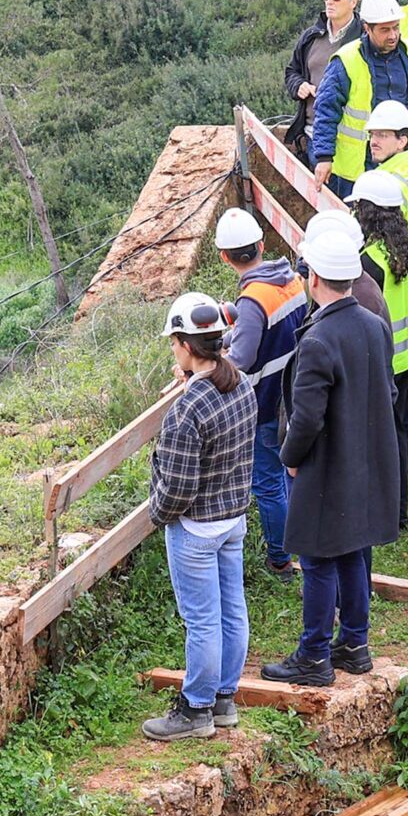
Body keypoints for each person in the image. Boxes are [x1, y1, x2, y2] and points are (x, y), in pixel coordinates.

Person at [268, 214, 404, 688]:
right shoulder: (372, 323)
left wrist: (289, 457)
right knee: (353, 547)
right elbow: (386, 391)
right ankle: (355, 644)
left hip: (327, 465)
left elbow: (306, 419)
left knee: (319, 557)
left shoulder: (319, 338)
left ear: (315, 278)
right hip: (367, 459)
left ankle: (313, 656)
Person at [142, 293, 258, 739]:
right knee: (232, 610)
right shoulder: (241, 384)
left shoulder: (187, 410)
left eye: (175, 342)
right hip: (232, 518)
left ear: (188, 346)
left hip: (195, 528)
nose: (173, 349)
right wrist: (190, 381)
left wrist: (158, 515)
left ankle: (195, 710)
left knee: (202, 621)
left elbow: (176, 489)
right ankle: (224, 700)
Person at [215, 207, 305, 576]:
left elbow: (242, 357)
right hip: (293, 394)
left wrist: (204, 364)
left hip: (265, 403)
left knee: (267, 483)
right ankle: (299, 539)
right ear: (261, 245)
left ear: (224, 256)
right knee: (288, 474)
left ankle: (280, 559)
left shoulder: (253, 299)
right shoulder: (291, 280)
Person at [351, 169, 408, 500]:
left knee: (388, 431)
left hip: (389, 356)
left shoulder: (370, 259)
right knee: (407, 422)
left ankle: (391, 497)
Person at [309, 0, 408, 194]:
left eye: (396, 27)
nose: (393, 35)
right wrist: (323, 157)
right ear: (367, 28)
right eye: (385, 30)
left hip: (397, 159)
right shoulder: (346, 61)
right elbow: (325, 109)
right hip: (355, 167)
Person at [285, 0, 364, 158]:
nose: (329, 2)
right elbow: (291, 72)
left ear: (353, 1)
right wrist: (299, 85)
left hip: (353, 139)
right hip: (314, 134)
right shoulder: (311, 37)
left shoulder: (364, 39)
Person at [364, 98, 408, 178]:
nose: (373, 141)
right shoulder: (389, 172)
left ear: (402, 142)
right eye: (372, 134)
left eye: (382, 135)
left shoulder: (397, 177)